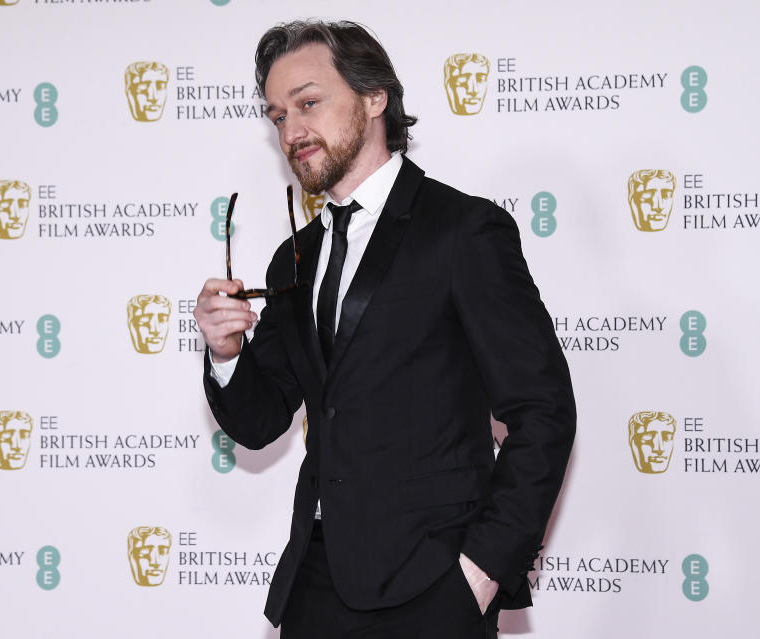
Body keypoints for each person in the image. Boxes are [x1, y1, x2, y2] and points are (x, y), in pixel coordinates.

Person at [194, 20, 575, 638]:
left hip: (433, 586)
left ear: (375, 98)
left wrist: (478, 575)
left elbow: (545, 410)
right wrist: (225, 351)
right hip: (315, 584)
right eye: (277, 115)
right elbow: (261, 422)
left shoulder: (463, 231)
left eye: (309, 103)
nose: (291, 132)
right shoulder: (293, 257)